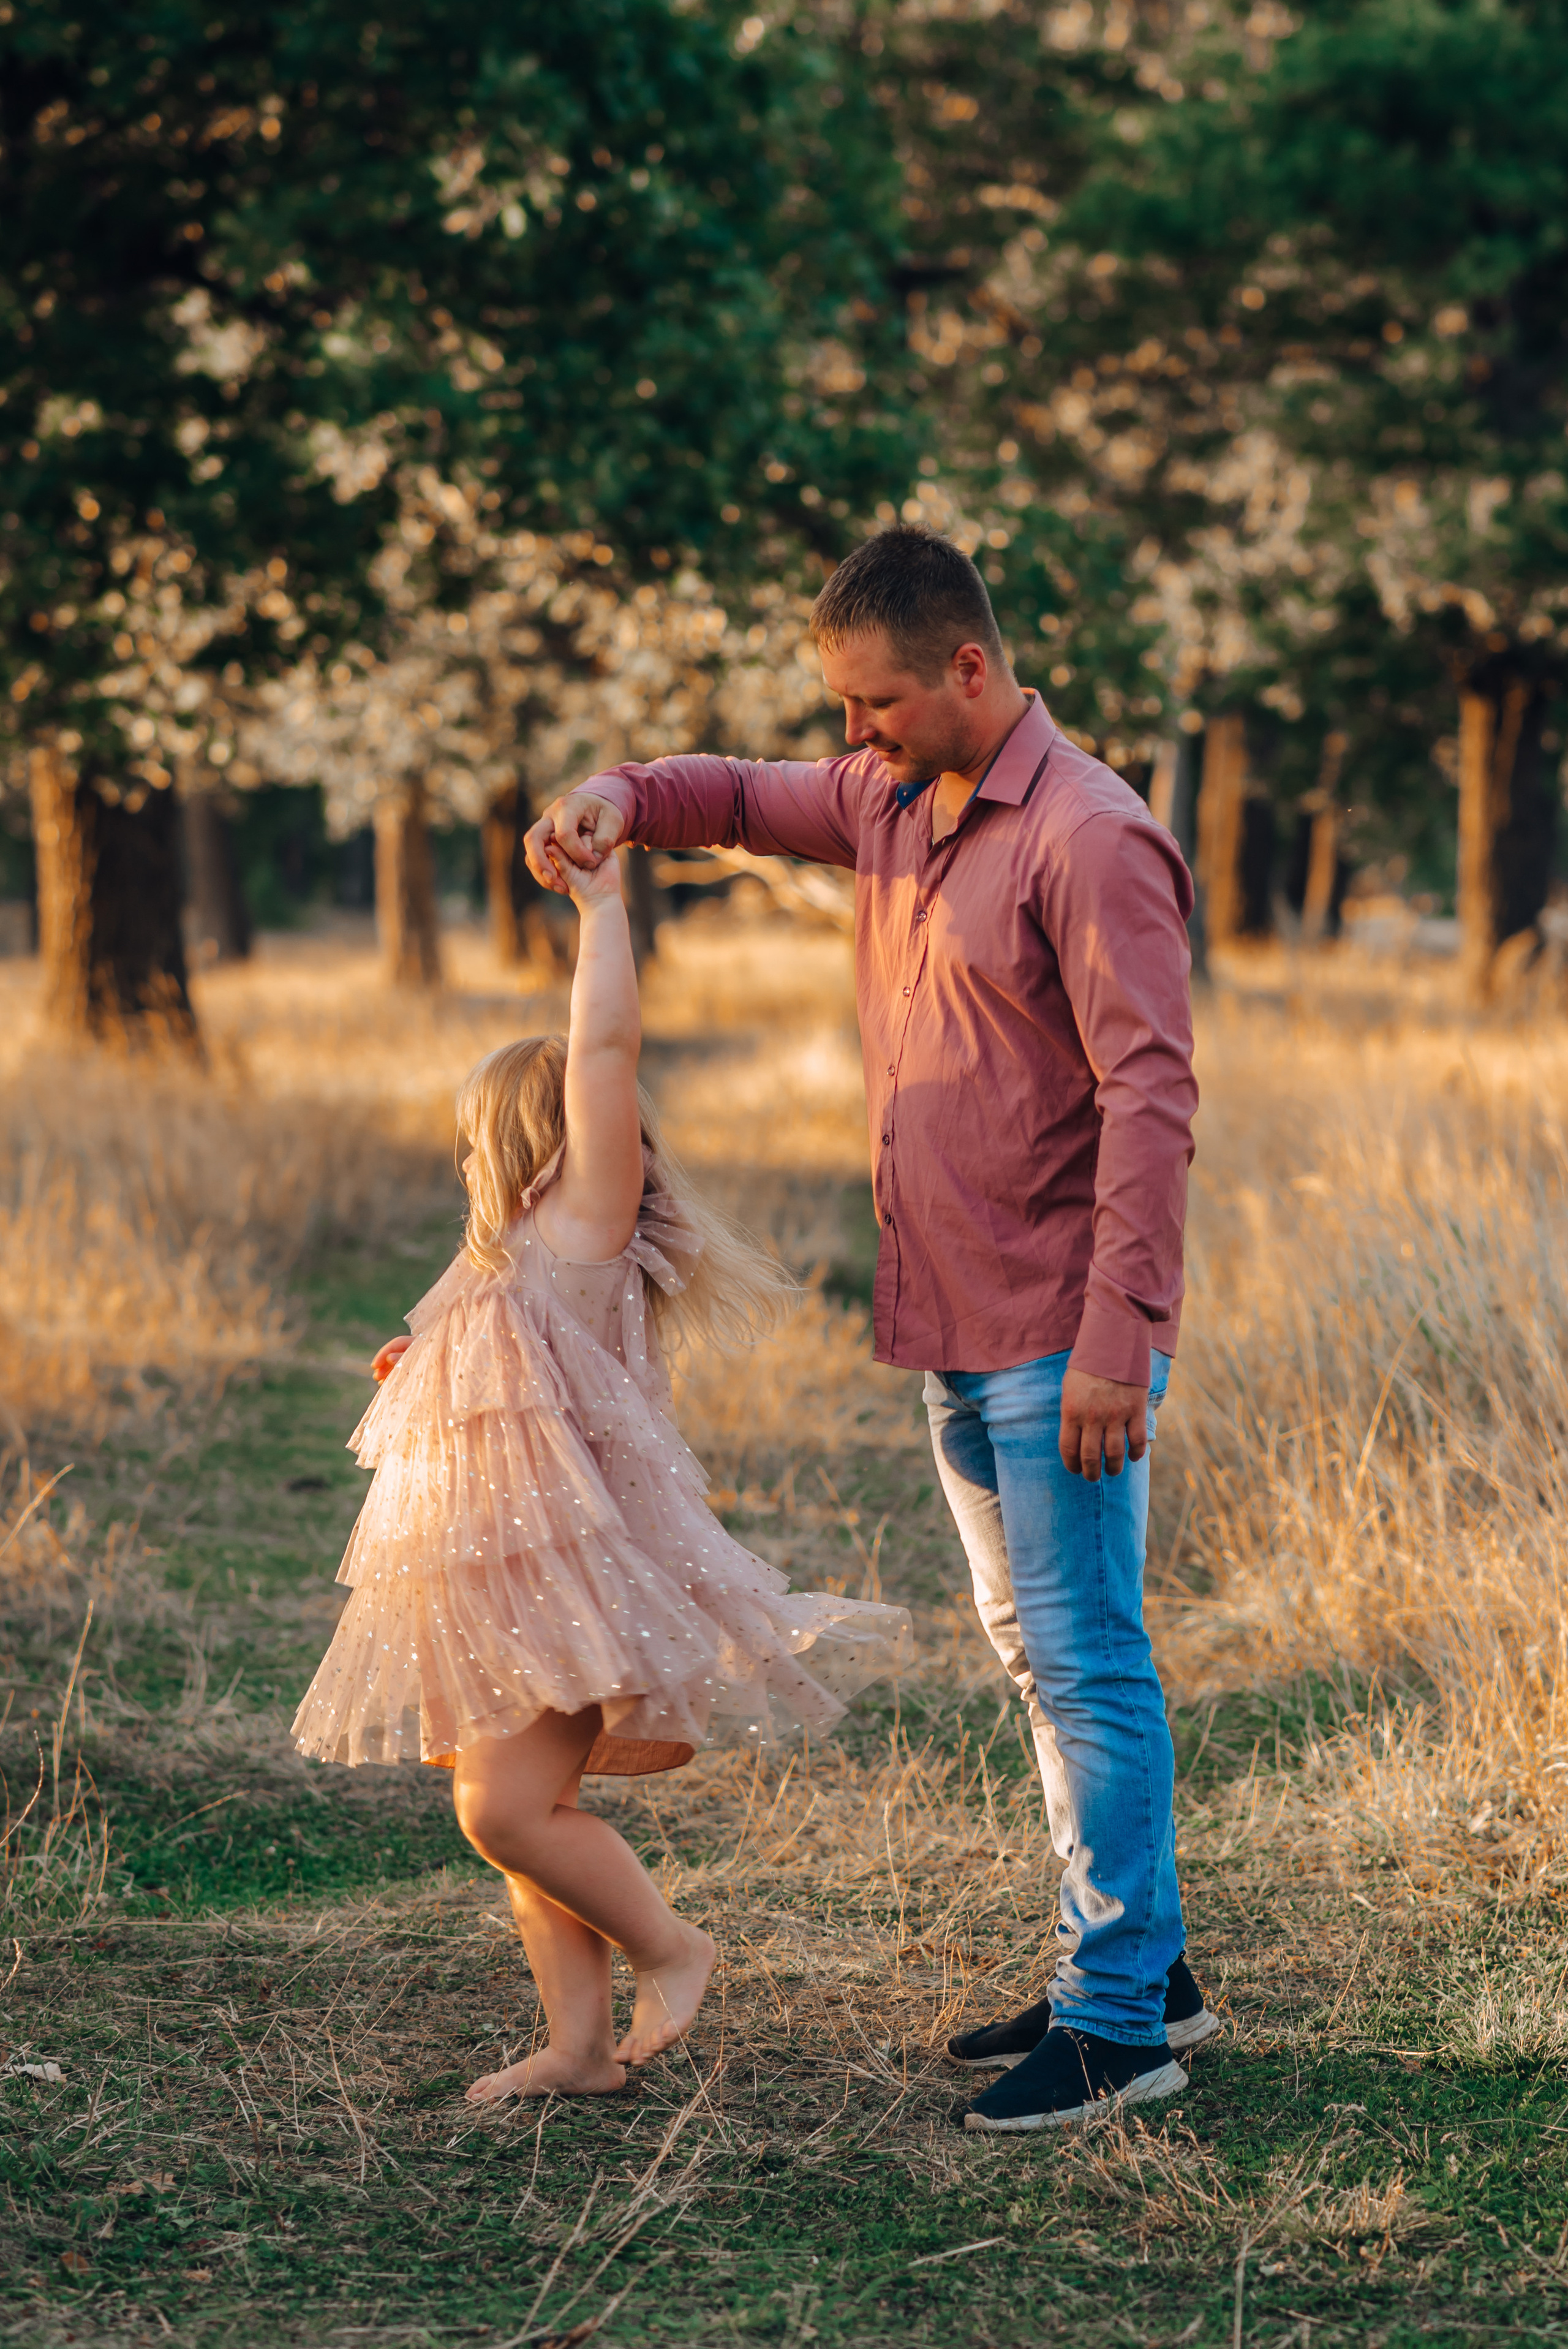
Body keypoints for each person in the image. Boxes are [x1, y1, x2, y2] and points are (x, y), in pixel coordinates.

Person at [525, 523, 1216, 2134]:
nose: (852, 734)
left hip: (1060, 1334)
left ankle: (1119, 2028)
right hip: (954, 1324)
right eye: (841, 706)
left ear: (970, 668)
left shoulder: (1090, 837)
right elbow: (729, 794)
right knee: (1037, 1654)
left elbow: (1152, 1097)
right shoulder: (892, 799)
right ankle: (1145, 1963)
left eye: (877, 703)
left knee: (1086, 1664)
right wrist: (618, 791)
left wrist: (1119, 1333)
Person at [291, 844, 911, 2103]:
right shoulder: (504, 1261)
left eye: (473, 1140)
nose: (466, 1163)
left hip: (566, 1583)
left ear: (529, 1138)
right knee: (518, 1820)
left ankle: (672, 1948)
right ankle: (578, 2051)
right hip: (491, 1581)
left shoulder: (584, 1224)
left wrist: (603, 906)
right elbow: (495, 1365)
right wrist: (422, 1365)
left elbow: (607, 1050)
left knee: (508, 1814)